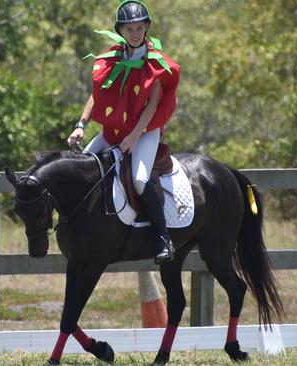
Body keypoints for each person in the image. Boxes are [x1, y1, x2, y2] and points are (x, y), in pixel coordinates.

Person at [67, 0, 180, 265]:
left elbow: (152, 105)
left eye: (140, 28)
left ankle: (163, 238)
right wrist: (81, 124)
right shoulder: (113, 57)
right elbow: (97, 96)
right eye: (129, 29)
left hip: (145, 130)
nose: (135, 33)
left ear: (147, 27)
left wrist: (135, 136)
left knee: (140, 179)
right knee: (81, 166)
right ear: (121, 31)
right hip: (113, 131)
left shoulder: (155, 63)